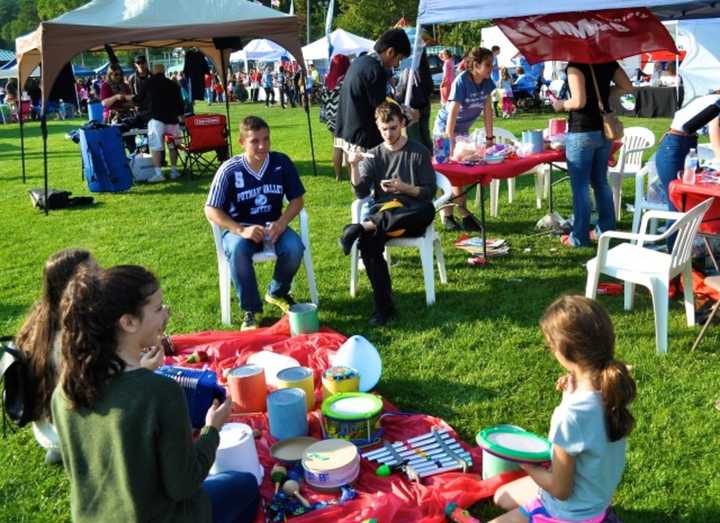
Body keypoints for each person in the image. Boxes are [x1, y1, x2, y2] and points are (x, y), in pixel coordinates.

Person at [52, 265, 259, 523]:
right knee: (246, 486)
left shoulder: (65, 391)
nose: (166, 315)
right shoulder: (159, 392)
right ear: (128, 322)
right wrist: (211, 430)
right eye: (158, 308)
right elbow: (184, 485)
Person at [490, 295, 636, 523]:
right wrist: (571, 388)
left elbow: (560, 490)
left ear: (564, 351)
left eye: (550, 345)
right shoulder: (615, 386)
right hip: (596, 500)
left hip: (568, 513)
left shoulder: (570, 416)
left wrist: (525, 463)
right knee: (501, 496)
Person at [339, 102, 436, 326]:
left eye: (393, 127)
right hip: (384, 214)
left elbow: (428, 192)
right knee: (369, 243)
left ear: (402, 123)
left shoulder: (418, 151)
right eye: (384, 129)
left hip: (411, 213)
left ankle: (363, 226)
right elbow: (361, 192)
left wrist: (404, 188)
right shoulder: (374, 155)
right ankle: (384, 308)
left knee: (427, 209)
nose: (389, 134)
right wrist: (353, 167)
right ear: (377, 127)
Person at [205, 116, 306, 331]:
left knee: (294, 247)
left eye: (266, 139)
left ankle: (277, 291)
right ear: (242, 142)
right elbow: (211, 209)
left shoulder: (281, 162)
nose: (262, 146)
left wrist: (282, 222)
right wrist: (241, 230)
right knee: (239, 250)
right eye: (255, 141)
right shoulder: (229, 170)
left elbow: (297, 200)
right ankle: (250, 310)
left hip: (273, 225)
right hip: (240, 227)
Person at [14, 249, 97, 465]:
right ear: (72, 285)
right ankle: (71, 446)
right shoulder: (73, 333)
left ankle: (61, 448)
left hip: (45, 430)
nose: (102, 275)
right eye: (93, 272)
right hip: (71, 430)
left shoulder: (38, 322)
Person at [551, 61, 632, 247]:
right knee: (601, 183)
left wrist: (560, 104)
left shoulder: (576, 65)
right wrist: (603, 94)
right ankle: (606, 229)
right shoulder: (608, 61)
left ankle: (579, 237)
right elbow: (627, 86)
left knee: (580, 187)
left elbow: (578, 101)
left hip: (582, 130)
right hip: (604, 130)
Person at [433, 47, 496, 232]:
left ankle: (464, 214)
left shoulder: (486, 82)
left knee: (460, 174)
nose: (491, 68)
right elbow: (452, 113)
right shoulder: (461, 81)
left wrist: (490, 138)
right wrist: (449, 141)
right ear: (475, 65)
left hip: (463, 129)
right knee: (446, 171)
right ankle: (447, 216)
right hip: (445, 129)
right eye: (487, 64)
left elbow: (488, 111)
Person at [335, 28, 412, 154]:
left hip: (349, 132)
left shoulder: (360, 61)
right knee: (368, 173)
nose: (397, 64)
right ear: (390, 52)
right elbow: (382, 111)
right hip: (363, 138)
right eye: (399, 58)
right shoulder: (375, 71)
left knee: (356, 172)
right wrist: (407, 117)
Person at [655, 91, 720, 210]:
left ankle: (685, 228)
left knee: (688, 201)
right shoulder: (716, 103)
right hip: (676, 145)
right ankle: (674, 229)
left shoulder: (711, 98)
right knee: (678, 203)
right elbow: (713, 132)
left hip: (683, 142)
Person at [131, 63, 185, 183]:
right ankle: (174, 171)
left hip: (156, 119)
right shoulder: (173, 84)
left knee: (155, 147)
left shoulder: (148, 82)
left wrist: (128, 99)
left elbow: (139, 99)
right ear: (164, 70)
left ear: (154, 71)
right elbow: (180, 103)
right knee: (172, 145)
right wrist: (181, 117)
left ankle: (158, 173)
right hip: (172, 119)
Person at [319, 54, 351, 181]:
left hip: (331, 119)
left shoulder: (327, 80)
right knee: (348, 147)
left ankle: (338, 175)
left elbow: (323, 102)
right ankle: (351, 174)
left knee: (336, 146)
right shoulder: (346, 80)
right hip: (345, 117)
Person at [128, 54, 152, 124]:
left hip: (152, 110)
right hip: (139, 110)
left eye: (143, 62)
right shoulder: (132, 78)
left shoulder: (152, 76)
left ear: (146, 63)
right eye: (138, 63)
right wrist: (134, 106)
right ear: (135, 64)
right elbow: (131, 94)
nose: (141, 65)